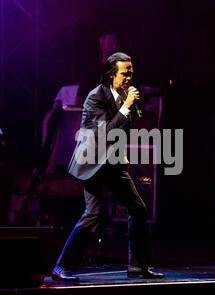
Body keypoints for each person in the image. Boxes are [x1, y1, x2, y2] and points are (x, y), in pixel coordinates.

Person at [51, 52, 164, 281]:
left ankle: (138, 266)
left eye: (131, 71)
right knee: (93, 212)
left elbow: (122, 131)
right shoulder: (95, 97)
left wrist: (122, 154)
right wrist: (126, 107)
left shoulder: (124, 94)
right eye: (125, 72)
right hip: (92, 161)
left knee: (137, 208)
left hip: (112, 160)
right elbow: (105, 132)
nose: (129, 77)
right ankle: (62, 267)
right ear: (111, 74)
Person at [75, 32, 121, 107]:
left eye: (117, 44)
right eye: (110, 44)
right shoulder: (92, 70)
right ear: (102, 46)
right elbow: (79, 99)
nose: (114, 47)